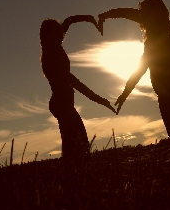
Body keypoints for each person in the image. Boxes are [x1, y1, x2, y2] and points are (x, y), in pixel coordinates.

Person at [98, 0, 170, 153]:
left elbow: (141, 67)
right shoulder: (160, 33)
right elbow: (142, 67)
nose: (140, 15)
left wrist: (106, 15)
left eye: (144, 12)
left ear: (153, 14)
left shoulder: (159, 35)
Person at [40, 16, 116, 163]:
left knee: (77, 143)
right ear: (50, 34)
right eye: (56, 30)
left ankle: (74, 174)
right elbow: (74, 81)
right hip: (61, 104)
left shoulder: (55, 46)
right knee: (76, 144)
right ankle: (73, 176)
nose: (61, 33)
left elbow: (68, 21)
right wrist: (98, 99)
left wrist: (90, 19)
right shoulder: (52, 55)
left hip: (64, 103)